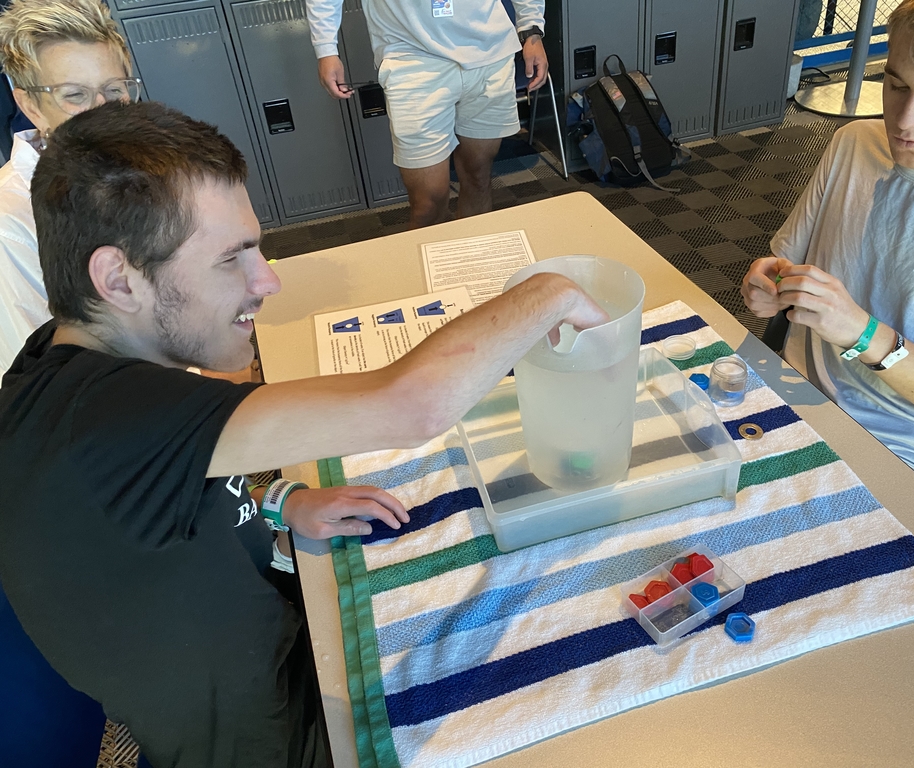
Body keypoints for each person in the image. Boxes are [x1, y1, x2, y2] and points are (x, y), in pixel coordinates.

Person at [0, 100, 605, 767]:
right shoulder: (107, 420)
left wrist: (281, 504)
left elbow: (158, 508)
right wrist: (546, 292)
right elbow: (412, 406)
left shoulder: (61, 366)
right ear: (118, 280)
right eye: (231, 259)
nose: (268, 281)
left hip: (283, 641)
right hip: (288, 741)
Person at [740, 0, 914, 504]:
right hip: (789, 396)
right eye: (895, 84)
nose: (906, 119)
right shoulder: (853, 143)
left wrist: (861, 331)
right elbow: (784, 271)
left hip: (903, 455)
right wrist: (771, 286)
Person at [307, 0, 547, 229]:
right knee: (428, 202)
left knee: (478, 176)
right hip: (411, 59)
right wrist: (326, 49)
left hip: (489, 54)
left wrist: (531, 29)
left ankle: (472, 264)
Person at [0, 0, 138, 380]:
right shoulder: (10, 224)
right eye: (74, 95)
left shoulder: (123, 167)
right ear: (29, 104)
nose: (102, 111)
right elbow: (40, 382)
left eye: (113, 90)